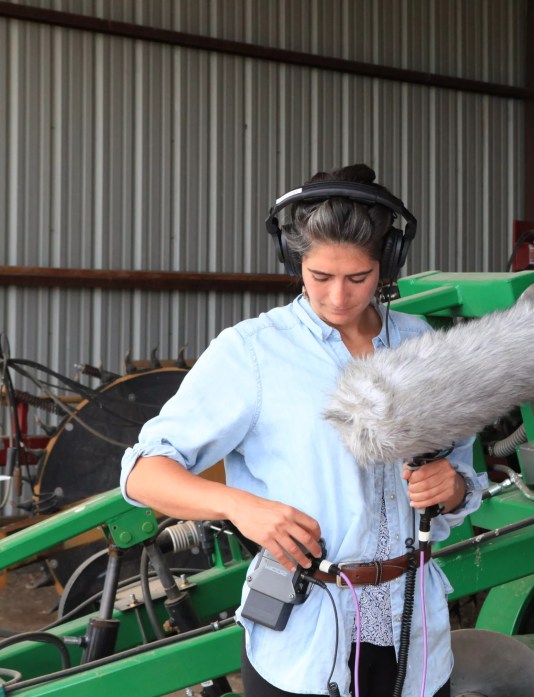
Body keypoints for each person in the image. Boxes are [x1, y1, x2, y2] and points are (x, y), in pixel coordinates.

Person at [120, 164, 485, 697]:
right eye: (320, 277)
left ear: (385, 265)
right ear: (296, 264)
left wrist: (451, 489)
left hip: (416, 634)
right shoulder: (253, 353)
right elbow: (142, 473)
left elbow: (463, 469)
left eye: (358, 278)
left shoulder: (422, 345)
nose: (338, 297)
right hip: (306, 641)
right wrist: (239, 505)